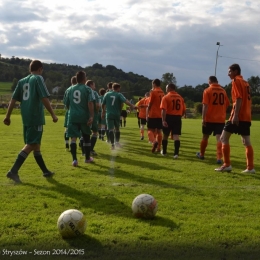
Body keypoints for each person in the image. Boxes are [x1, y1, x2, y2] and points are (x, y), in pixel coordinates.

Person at [3, 60, 58, 183]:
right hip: (35, 117)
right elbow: (44, 97)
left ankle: (45, 171)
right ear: (40, 69)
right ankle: (13, 171)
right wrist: (53, 114)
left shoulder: (22, 81)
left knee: (36, 145)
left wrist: (8, 116)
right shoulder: (38, 78)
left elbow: (13, 99)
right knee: (31, 144)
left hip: (26, 117)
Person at [215, 64, 255, 173]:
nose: (228, 74)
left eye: (229, 72)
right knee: (246, 141)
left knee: (223, 138)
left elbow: (238, 98)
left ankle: (227, 164)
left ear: (235, 71)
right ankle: (250, 167)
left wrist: (236, 114)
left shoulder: (236, 81)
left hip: (238, 115)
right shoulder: (246, 82)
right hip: (247, 116)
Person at [196, 76, 230, 163]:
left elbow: (205, 105)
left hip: (209, 118)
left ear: (210, 82)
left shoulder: (207, 90)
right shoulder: (223, 91)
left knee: (205, 136)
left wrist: (203, 118)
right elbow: (227, 104)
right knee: (219, 138)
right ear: (217, 81)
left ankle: (202, 154)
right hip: (220, 119)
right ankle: (219, 158)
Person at [64, 71, 94, 166]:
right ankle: (87, 158)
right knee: (86, 136)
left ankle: (74, 160)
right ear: (84, 79)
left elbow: (67, 104)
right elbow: (90, 103)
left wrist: (72, 111)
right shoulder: (87, 89)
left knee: (73, 138)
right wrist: (91, 116)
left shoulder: (69, 89)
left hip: (72, 116)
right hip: (83, 116)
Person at [102, 83, 135, 150]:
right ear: (118, 88)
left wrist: (103, 111)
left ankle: (112, 145)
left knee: (110, 129)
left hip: (109, 114)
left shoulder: (107, 94)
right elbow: (125, 101)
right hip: (116, 114)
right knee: (117, 129)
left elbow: (103, 104)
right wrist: (132, 106)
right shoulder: (119, 94)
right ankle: (117, 142)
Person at [160, 83, 186, 158]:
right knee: (176, 136)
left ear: (169, 88)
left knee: (165, 135)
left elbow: (163, 110)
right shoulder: (180, 97)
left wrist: (163, 120)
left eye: (166, 88)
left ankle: (164, 152)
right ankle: (176, 154)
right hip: (177, 117)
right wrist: (179, 116)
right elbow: (183, 110)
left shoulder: (166, 97)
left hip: (169, 117)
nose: (166, 89)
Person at [146, 79, 165, 152]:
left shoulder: (153, 92)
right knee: (159, 131)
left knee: (150, 129)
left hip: (153, 113)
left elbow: (150, 103)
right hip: (160, 114)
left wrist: (147, 113)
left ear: (154, 84)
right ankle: (159, 147)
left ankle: (154, 142)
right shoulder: (162, 92)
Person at [86, 80, 100, 155]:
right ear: (91, 85)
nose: (95, 86)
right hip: (93, 114)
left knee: (84, 133)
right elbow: (97, 105)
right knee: (95, 132)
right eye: (94, 85)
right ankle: (90, 149)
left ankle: (84, 150)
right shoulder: (94, 93)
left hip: (84, 114)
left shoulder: (83, 91)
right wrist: (97, 111)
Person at [64, 76, 77, 151]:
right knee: (78, 129)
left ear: (71, 82)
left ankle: (66, 144)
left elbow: (65, 103)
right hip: (78, 112)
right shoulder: (81, 89)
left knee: (67, 129)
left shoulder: (68, 90)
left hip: (69, 112)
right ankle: (77, 144)